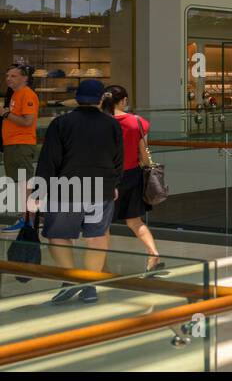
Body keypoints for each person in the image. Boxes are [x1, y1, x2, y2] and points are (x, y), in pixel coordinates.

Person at [34, 79, 123, 304]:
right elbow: (118, 159)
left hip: (67, 189)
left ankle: (70, 279)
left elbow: (49, 160)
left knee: (58, 235)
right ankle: (90, 284)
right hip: (101, 188)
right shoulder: (111, 124)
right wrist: (114, 185)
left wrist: (39, 191)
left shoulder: (61, 123)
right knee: (97, 236)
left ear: (77, 98)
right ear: (101, 98)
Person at [100, 85, 166, 272]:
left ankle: (103, 266)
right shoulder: (136, 122)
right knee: (134, 221)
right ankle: (153, 253)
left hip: (106, 178)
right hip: (132, 175)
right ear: (124, 101)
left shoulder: (101, 121)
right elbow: (144, 154)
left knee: (103, 225)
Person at [1, 65, 39, 222]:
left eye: (13, 76)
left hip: (21, 145)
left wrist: (6, 114)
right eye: (8, 75)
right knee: (20, 183)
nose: (9, 78)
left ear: (25, 78)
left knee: (25, 184)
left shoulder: (27, 94)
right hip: (13, 145)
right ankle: (26, 219)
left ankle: (28, 221)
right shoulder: (16, 94)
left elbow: (27, 121)